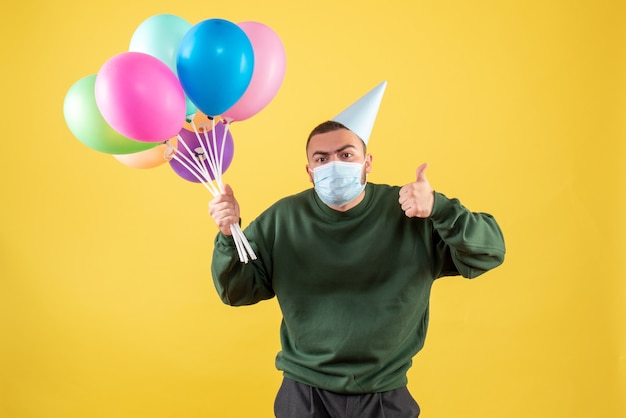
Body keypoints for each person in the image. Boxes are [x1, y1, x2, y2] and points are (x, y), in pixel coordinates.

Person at [208, 84, 505, 418]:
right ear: (309, 172)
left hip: (384, 394)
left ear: (367, 163)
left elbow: (489, 252)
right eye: (322, 158)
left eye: (346, 155)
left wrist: (440, 207)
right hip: (304, 395)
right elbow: (237, 290)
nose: (334, 164)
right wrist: (228, 235)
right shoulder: (282, 219)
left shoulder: (411, 212)